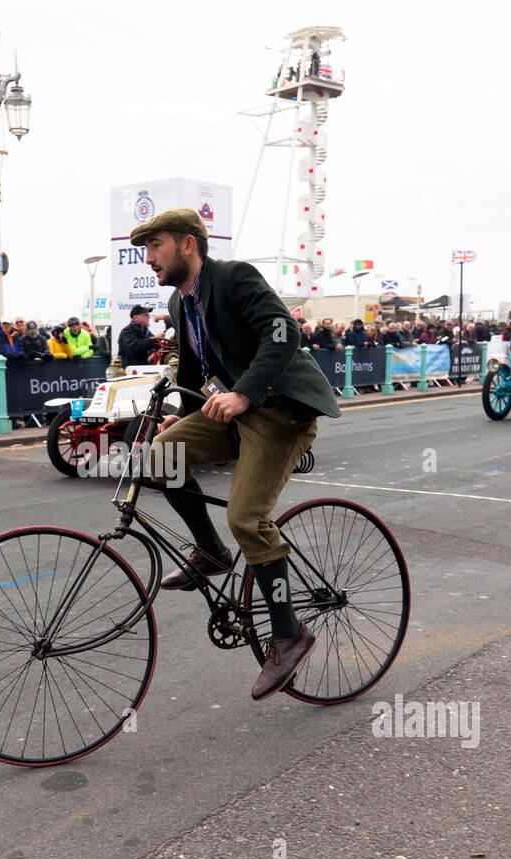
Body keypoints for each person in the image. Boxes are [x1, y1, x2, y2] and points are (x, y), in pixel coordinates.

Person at [133, 207, 339, 701]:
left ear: (187, 244)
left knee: (248, 517)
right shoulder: (181, 303)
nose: (148, 259)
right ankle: (212, 551)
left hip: (279, 407)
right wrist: (180, 415)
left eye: (156, 246)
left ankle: (290, 634)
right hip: (234, 408)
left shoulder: (234, 277)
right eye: (145, 250)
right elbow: (188, 373)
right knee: (161, 456)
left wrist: (244, 393)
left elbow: (283, 333)